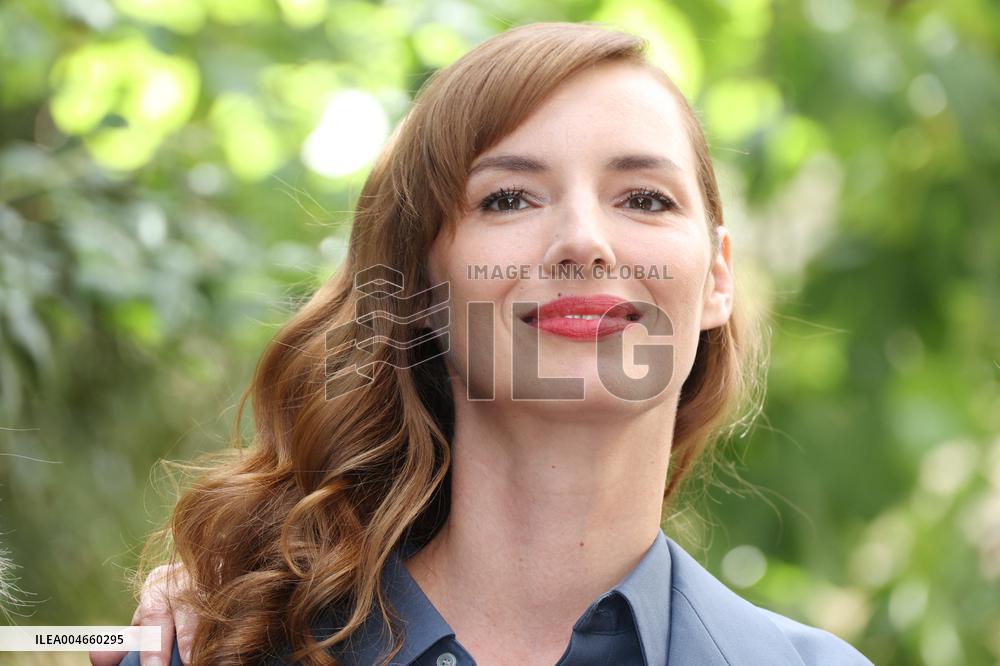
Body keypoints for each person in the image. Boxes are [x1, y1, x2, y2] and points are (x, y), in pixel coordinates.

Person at [91, 20, 873, 666]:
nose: (584, 243)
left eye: (643, 197)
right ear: (421, 288)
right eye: (507, 197)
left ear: (716, 278)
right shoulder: (210, 645)